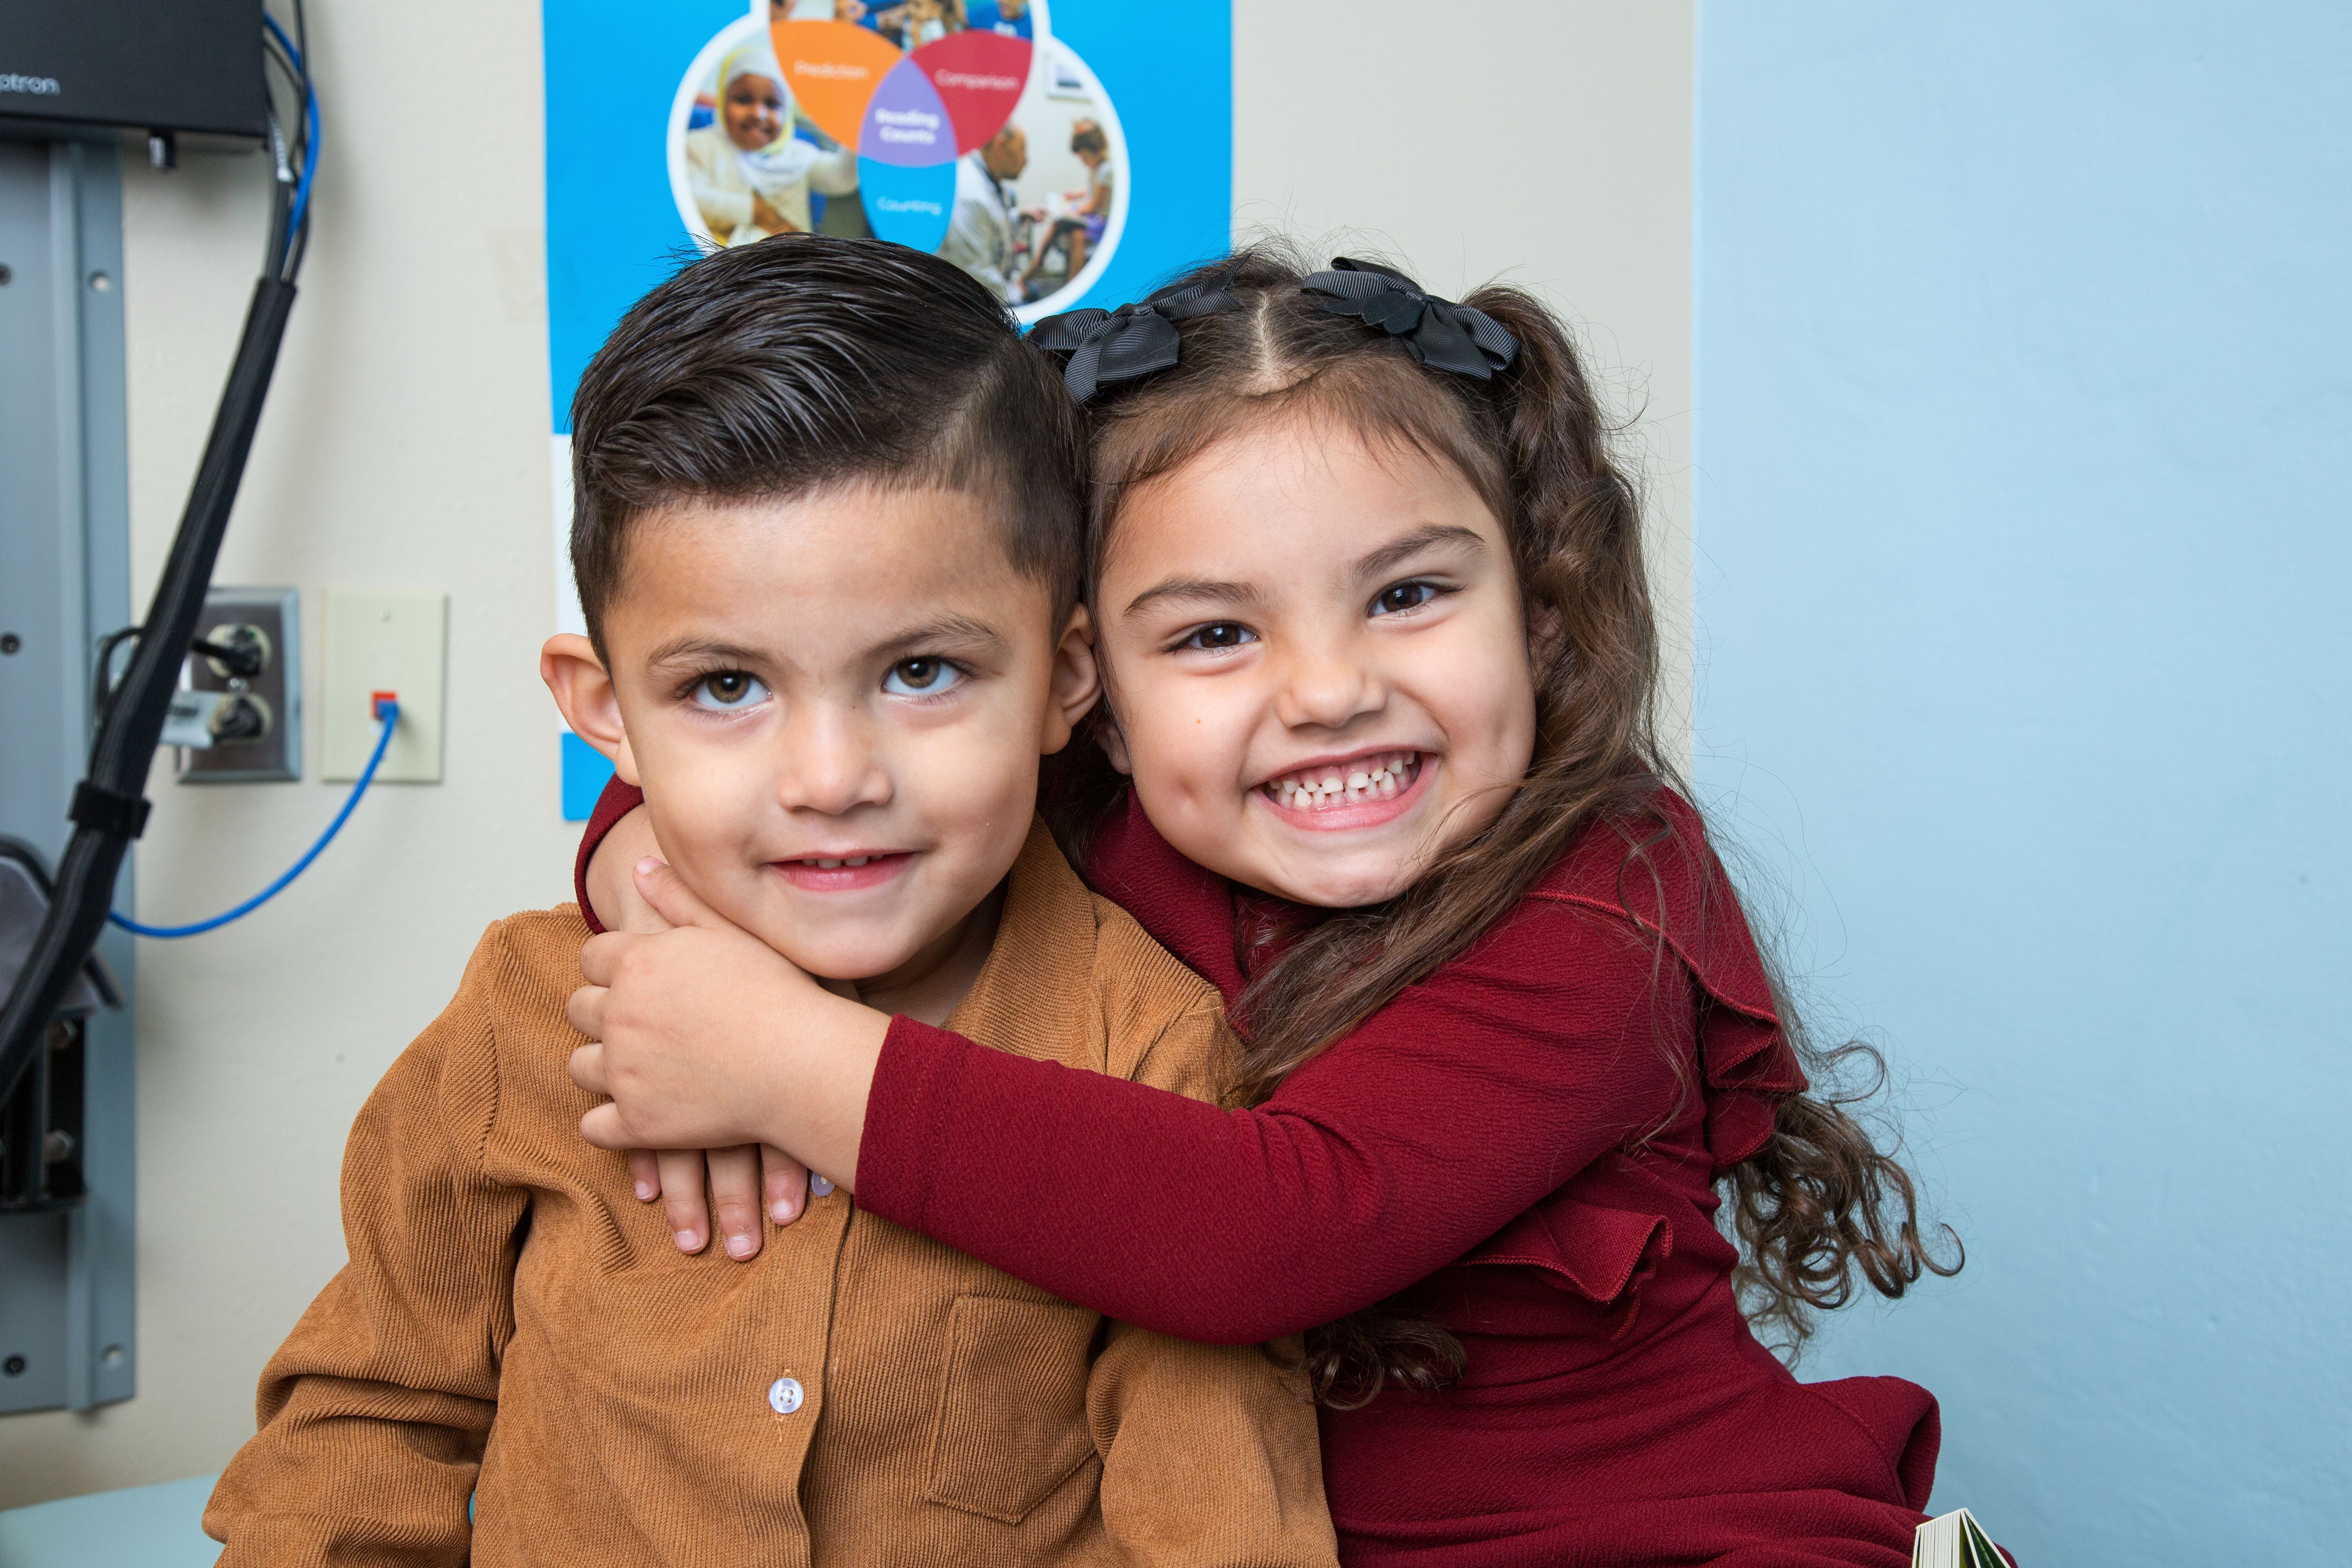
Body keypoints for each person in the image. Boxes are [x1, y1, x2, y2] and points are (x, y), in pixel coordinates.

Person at [567, 245, 1982, 1567]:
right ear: (1086, 692)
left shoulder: (1605, 892)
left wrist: (783, 1063)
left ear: (1540, 616)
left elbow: (1273, 1230)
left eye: (1409, 594)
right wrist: (644, 890)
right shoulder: (1107, 830)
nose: (1325, 692)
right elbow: (817, 791)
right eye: (1215, 635)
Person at [202, 239, 1338, 1568]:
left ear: (1065, 677)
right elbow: (368, 1422)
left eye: (922, 670)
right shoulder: (525, 1014)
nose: (832, 779)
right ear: (606, 713)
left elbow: (1220, 1518)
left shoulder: (1150, 1047)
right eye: (726, 688)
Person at [682, 40, 857, 245]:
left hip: (790, 270)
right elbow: (689, 198)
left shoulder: (798, 155)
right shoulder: (698, 145)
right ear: (722, 102)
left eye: (772, 104)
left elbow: (843, 179)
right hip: (719, 265)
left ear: (788, 112)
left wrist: (855, 130)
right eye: (744, 100)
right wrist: (757, 212)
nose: (758, 114)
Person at [1019, 118, 1112, 297]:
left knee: (1076, 234)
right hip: (1093, 218)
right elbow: (1091, 189)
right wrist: (1073, 196)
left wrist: (1075, 210)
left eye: (1085, 158)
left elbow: (1097, 203)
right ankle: (1038, 267)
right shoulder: (1097, 169)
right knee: (1057, 224)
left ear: (1097, 151)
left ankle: (1071, 283)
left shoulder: (1106, 170)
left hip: (1102, 222)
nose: (1084, 163)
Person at [939, 124, 1026, 302]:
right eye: (1022, 150)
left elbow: (993, 228)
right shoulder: (969, 193)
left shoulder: (990, 181)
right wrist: (1017, 294)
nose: (1026, 160)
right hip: (969, 302)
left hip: (994, 288)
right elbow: (975, 273)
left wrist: (1018, 217)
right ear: (1000, 145)